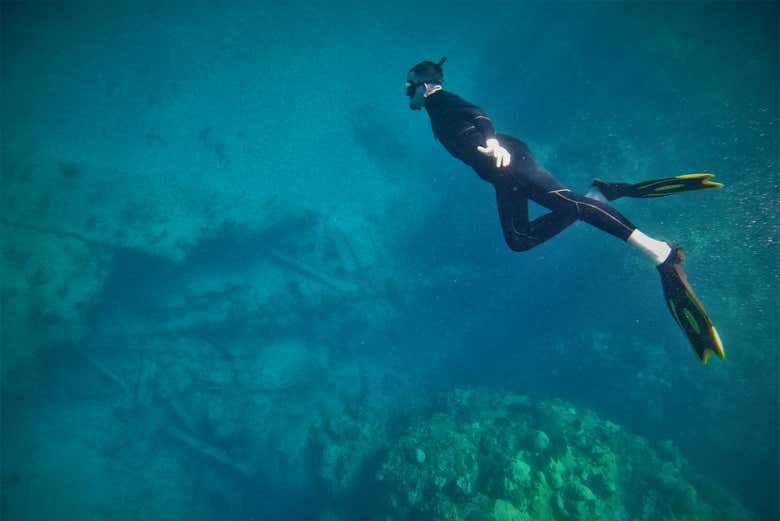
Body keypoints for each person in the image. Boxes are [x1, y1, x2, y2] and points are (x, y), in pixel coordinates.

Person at [406, 56, 725, 364]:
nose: (408, 94)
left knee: (572, 205)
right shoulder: (434, 109)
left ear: (424, 85)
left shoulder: (439, 99)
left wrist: (492, 142)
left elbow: (477, 113)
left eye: (410, 88)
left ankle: (660, 253)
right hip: (501, 177)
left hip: (509, 161)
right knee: (519, 239)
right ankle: (596, 196)